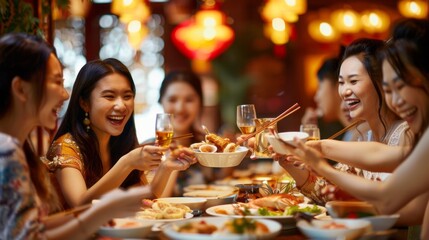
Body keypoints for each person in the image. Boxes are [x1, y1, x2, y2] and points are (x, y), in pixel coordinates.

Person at [0, 32, 154, 239]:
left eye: (128, 96)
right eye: (56, 82)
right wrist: (101, 212)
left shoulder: (18, 148)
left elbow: (35, 227)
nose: (64, 94)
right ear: (20, 89)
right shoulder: (6, 151)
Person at [294, 19, 429, 238]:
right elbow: (386, 156)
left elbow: (393, 199)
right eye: (389, 89)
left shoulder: (409, 133)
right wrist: (311, 151)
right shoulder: (365, 134)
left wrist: (320, 157)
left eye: (402, 85)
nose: (396, 101)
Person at [271, 38, 414, 206]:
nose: (345, 91)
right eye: (341, 82)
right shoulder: (365, 137)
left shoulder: (405, 133)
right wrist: (286, 161)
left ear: (382, 82)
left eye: (353, 81)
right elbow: (327, 191)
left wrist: (320, 149)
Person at [46, 59, 197, 208]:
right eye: (109, 96)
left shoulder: (119, 143)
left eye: (127, 96)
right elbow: (80, 204)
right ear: (84, 103)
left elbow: (146, 198)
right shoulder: (66, 146)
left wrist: (166, 168)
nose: (121, 106)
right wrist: (127, 163)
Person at [153, 70, 231, 196]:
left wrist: (231, 153)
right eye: (172, 100)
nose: (180, 108)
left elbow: (218, 184)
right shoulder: (150, 151)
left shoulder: (205, 146)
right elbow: (153, 202)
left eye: (189, 100)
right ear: (161, 102)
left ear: (200, 103)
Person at [301, 50, 352, 140]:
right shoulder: (350, 134)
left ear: (339, 85)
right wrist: (309, 133)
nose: (316, 98)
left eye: (319, 87)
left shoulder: (361, 135)